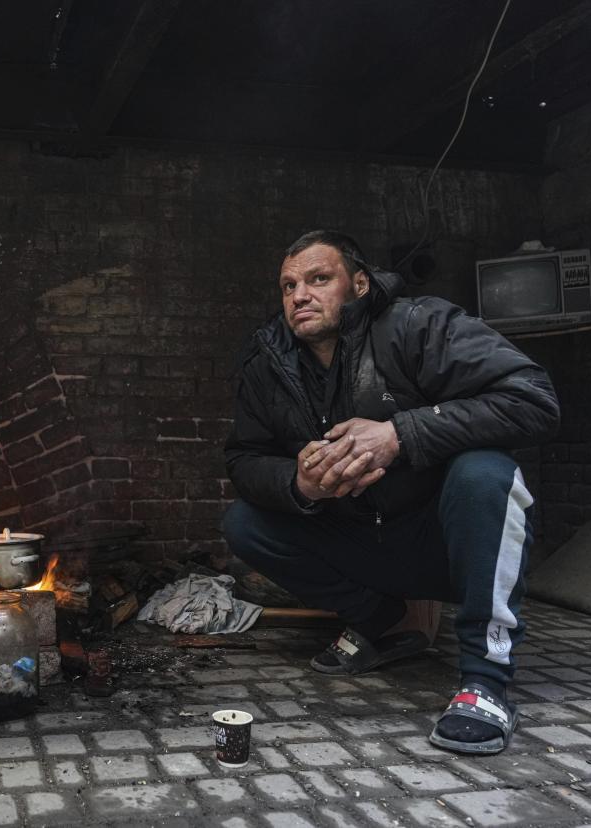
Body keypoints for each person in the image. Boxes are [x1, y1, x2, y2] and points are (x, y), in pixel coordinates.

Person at [222, 230, 560, 755]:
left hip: (446, 542)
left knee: (483, 471)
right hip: (362, 539)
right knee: (245, 521)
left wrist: (399, 434)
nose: (299, 296)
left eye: (318, 279)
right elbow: (244, 457)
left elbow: (532, 399)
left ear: (358, 284)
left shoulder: (417, 324)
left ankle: (485, 681)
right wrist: (298, 481)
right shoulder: (268, 361)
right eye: (288, 286)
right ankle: (382, 622)